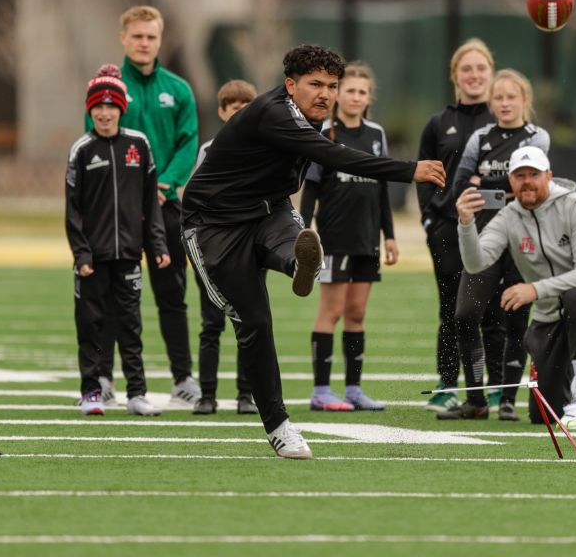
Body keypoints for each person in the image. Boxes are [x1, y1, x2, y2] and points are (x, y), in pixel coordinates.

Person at [182, 44, 446, 459]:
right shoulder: (276, 113)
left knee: (296, 242)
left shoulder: (310, 119)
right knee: (254, 323)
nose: (326, 94)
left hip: (270, 210)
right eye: (315, 84)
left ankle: (298, 264)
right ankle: (279, 426)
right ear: (290, 85)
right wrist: (408, 170)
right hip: (213, 225)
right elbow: (334, 157)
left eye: (332, 86)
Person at [455, 145, 576, 429]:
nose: (527, 182)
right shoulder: (508, 216)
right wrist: (466, 223)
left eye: (534, 174)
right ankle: (566, 385)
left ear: (549, 176)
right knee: (543, 416)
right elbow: (476, 263)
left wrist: (534, 289)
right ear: (510, 181)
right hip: (550, 315)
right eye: (519, 176)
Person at [86, 5, 201, 407]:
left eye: (151, 36)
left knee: (172, 294)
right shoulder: (107, 89)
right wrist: (132, 190)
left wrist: (165, 182)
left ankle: (183, 379)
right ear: (123, 38)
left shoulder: (179, 89)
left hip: (165, 206)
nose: (144, 43)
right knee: (113, 298)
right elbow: (96, 143)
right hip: (119, 212)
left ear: (160, 39)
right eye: (137, 36)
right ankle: (104, 378)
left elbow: (189, 142)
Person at [438, 69, 550, 421]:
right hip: (484, 238)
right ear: (491, 102)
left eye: (511, 97)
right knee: (466, 315)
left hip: (523, 240)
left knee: (516, 321)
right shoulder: (481, 138)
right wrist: (496, 186)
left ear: (524, 100)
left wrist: (485, 183)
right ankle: (476, 399)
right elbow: (459, 187)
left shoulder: (537, 137)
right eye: (498, 98)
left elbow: (526, 184)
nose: (504, 103)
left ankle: (508, 401)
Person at [66, 68, 171, 416]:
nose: (105, 113)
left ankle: (137, 393)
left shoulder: (138, 145)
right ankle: (91, 391)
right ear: (89, 110)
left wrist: (157, 246)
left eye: (112, 107)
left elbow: (149, 205)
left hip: (128, 253)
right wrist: (81, 253)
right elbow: (74, 211)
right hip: (92, 258)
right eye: (98, 107)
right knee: (91, 324)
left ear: (122, 108)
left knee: (130, 324)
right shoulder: (82, 150)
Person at [299, 62, 394, 412]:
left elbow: (382, 187)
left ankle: (353, 388)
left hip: (367, 238)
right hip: (334, 239)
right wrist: (304, 228)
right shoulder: (324, 134)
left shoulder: (376, 134)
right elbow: (310, 186)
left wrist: (390, 236)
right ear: (338, 94)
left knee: (357, 313)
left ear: (369, 98)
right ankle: (321, 391)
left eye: (361, 92)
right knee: (332, 311)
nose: (355, 97)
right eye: (349, 90)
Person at [417, 39, 495, 412]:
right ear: (455, 76)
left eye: (481, 68)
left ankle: (497, 385)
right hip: (448, 229)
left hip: (495, 229)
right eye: (467, 68)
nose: (475, 75)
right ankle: (447, 383)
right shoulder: (439, 124)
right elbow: (423, 175)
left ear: (491, 75)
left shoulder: (504, 121)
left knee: (495, 309)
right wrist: (429, 219)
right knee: (450, 309)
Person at [189, 79, 259, 416]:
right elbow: (196, 198)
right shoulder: (208, 151)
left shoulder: (265, 149)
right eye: (234, 111)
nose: (240, 116)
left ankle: (247, 394)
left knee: (249, 323)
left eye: (247, 110)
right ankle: (207, 395)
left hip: (248, 250)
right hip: (214, 250)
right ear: (222, 112)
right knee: (211, 324)